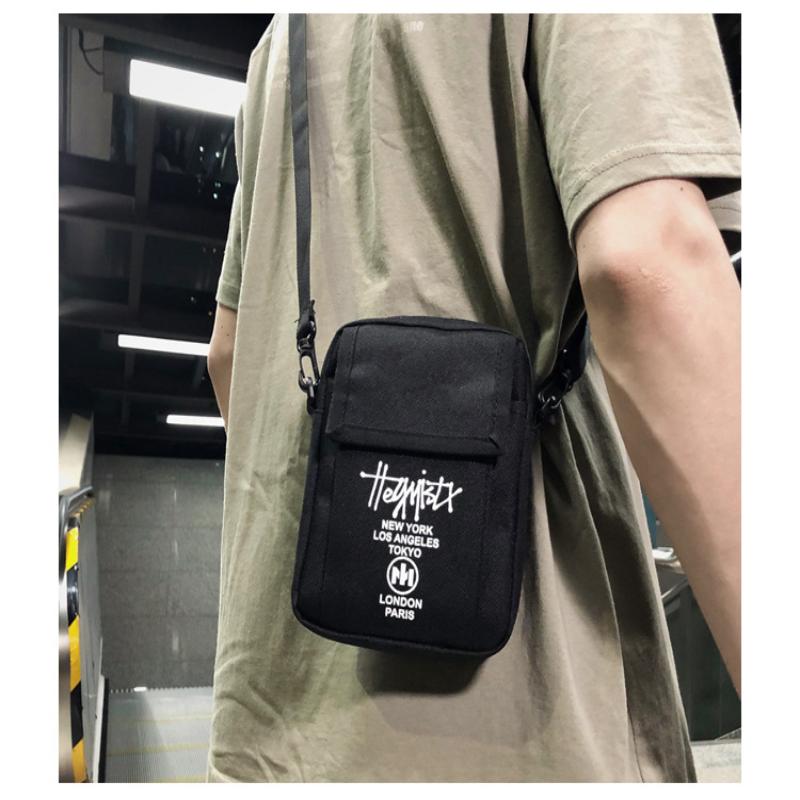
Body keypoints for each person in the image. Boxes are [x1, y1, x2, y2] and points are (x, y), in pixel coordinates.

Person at [206, 13, 740, 782]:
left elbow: (229, 355)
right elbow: (647, 264)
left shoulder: (279, 43)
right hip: (521, 732)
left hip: (277, 731)